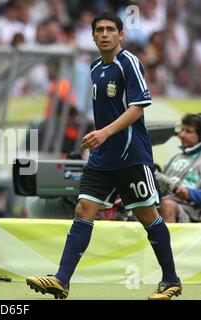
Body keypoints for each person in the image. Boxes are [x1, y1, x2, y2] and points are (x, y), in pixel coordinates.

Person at [26, 12, 181, 300]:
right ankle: (61, 280)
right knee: (84, 208)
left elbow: (137, 108)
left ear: (121, 34)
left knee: (147, 216)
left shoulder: (129, 63)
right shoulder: (95, 67)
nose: (105, 34)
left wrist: (104, 133)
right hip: (103, 157)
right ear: (93, 36)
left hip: (131, 156)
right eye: (100, 30)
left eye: (111, 29)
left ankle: (171, 280)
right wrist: (99, 137)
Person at [156, 113, 201, 222]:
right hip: (164, 201)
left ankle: (165, 240)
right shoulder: (175, 158)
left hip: (191, 212)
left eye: (188, 131)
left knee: (167, 206)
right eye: (182, 130)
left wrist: (189, 193)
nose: (181, 135)